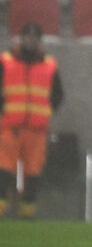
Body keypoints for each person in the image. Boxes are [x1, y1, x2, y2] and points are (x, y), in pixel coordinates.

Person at [0, 22, 63, 219]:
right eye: (27, 36)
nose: (31, 40)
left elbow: (58, 95)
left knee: (33, 172)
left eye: (34, 37)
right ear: (21, 38)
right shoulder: (5, 61)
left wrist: (44, 113)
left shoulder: (50, 65)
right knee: (4, 169)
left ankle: (28, 212)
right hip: (10, 127)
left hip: (37, 129)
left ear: (39, 41)